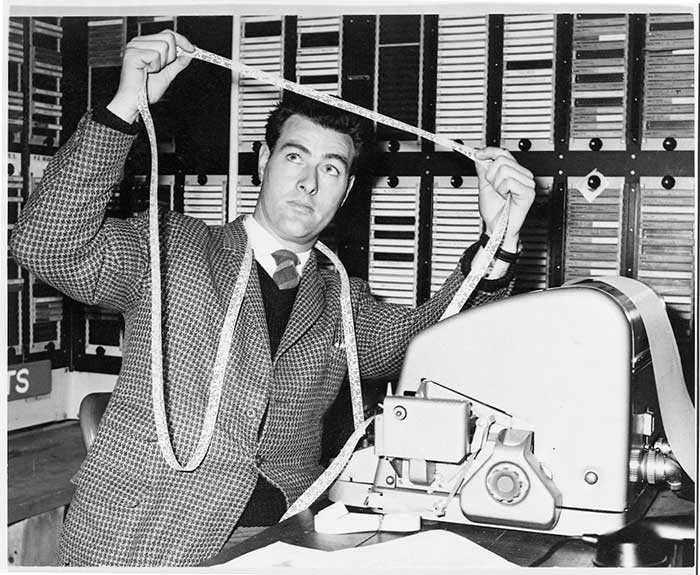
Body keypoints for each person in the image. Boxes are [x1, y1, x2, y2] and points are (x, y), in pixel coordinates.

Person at [10, 30, 535, 567]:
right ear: (263, 161)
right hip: (140, 535)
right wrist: (125, 105)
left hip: (278, 539)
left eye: (331, 168)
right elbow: (43, 243)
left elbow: (431, 339)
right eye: (294, 157)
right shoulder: (170, 247)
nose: (309, 183)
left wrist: (500, 239)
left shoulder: (340, 301)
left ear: (347, 191)